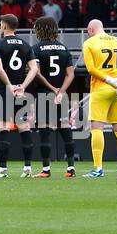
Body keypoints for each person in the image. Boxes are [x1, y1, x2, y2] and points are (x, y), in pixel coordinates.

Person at [81, 18, 117, 178]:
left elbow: (91, 69)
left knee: (97, 128)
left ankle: (98, 168)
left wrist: (109, 80)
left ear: (90, 30)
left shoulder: (89, 43)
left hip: (101, 89)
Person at [0, 14, 37, 177]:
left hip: (4, 91)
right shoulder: (25, 45)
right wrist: (22, 86)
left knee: (3, 127)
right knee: (24, 128)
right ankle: (28, 168)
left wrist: (9, 86)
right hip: (21, 92)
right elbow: (34, 69)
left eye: (0, 23)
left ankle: (2, 169)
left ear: (4, 25)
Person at [29, 15, 76, 177]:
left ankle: (46, 169)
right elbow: (70, 74)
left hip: (44, 94)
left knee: (44, 132)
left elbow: (37, 73)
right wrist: (61, 91)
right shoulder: (64, 48)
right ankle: (71, 168)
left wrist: (52, 88)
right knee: (65, 131)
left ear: (41, 29)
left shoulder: (35, 48)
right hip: (61, 96)